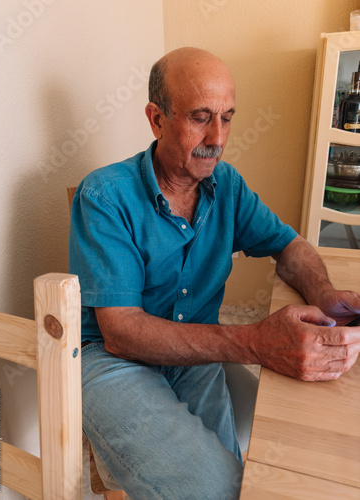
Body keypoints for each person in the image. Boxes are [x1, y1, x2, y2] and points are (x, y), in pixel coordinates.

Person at [69, 47, 360, 499]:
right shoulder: (104, 196)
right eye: (200, 116)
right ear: (156, 119)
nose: (218, 138)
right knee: (219, 487)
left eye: (227, 117)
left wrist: (322, 292)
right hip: (112, 361)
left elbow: (288, 245)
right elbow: (121, 332)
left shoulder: (228, 186)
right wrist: (255, 343)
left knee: (255, 472)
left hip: (193, 350)